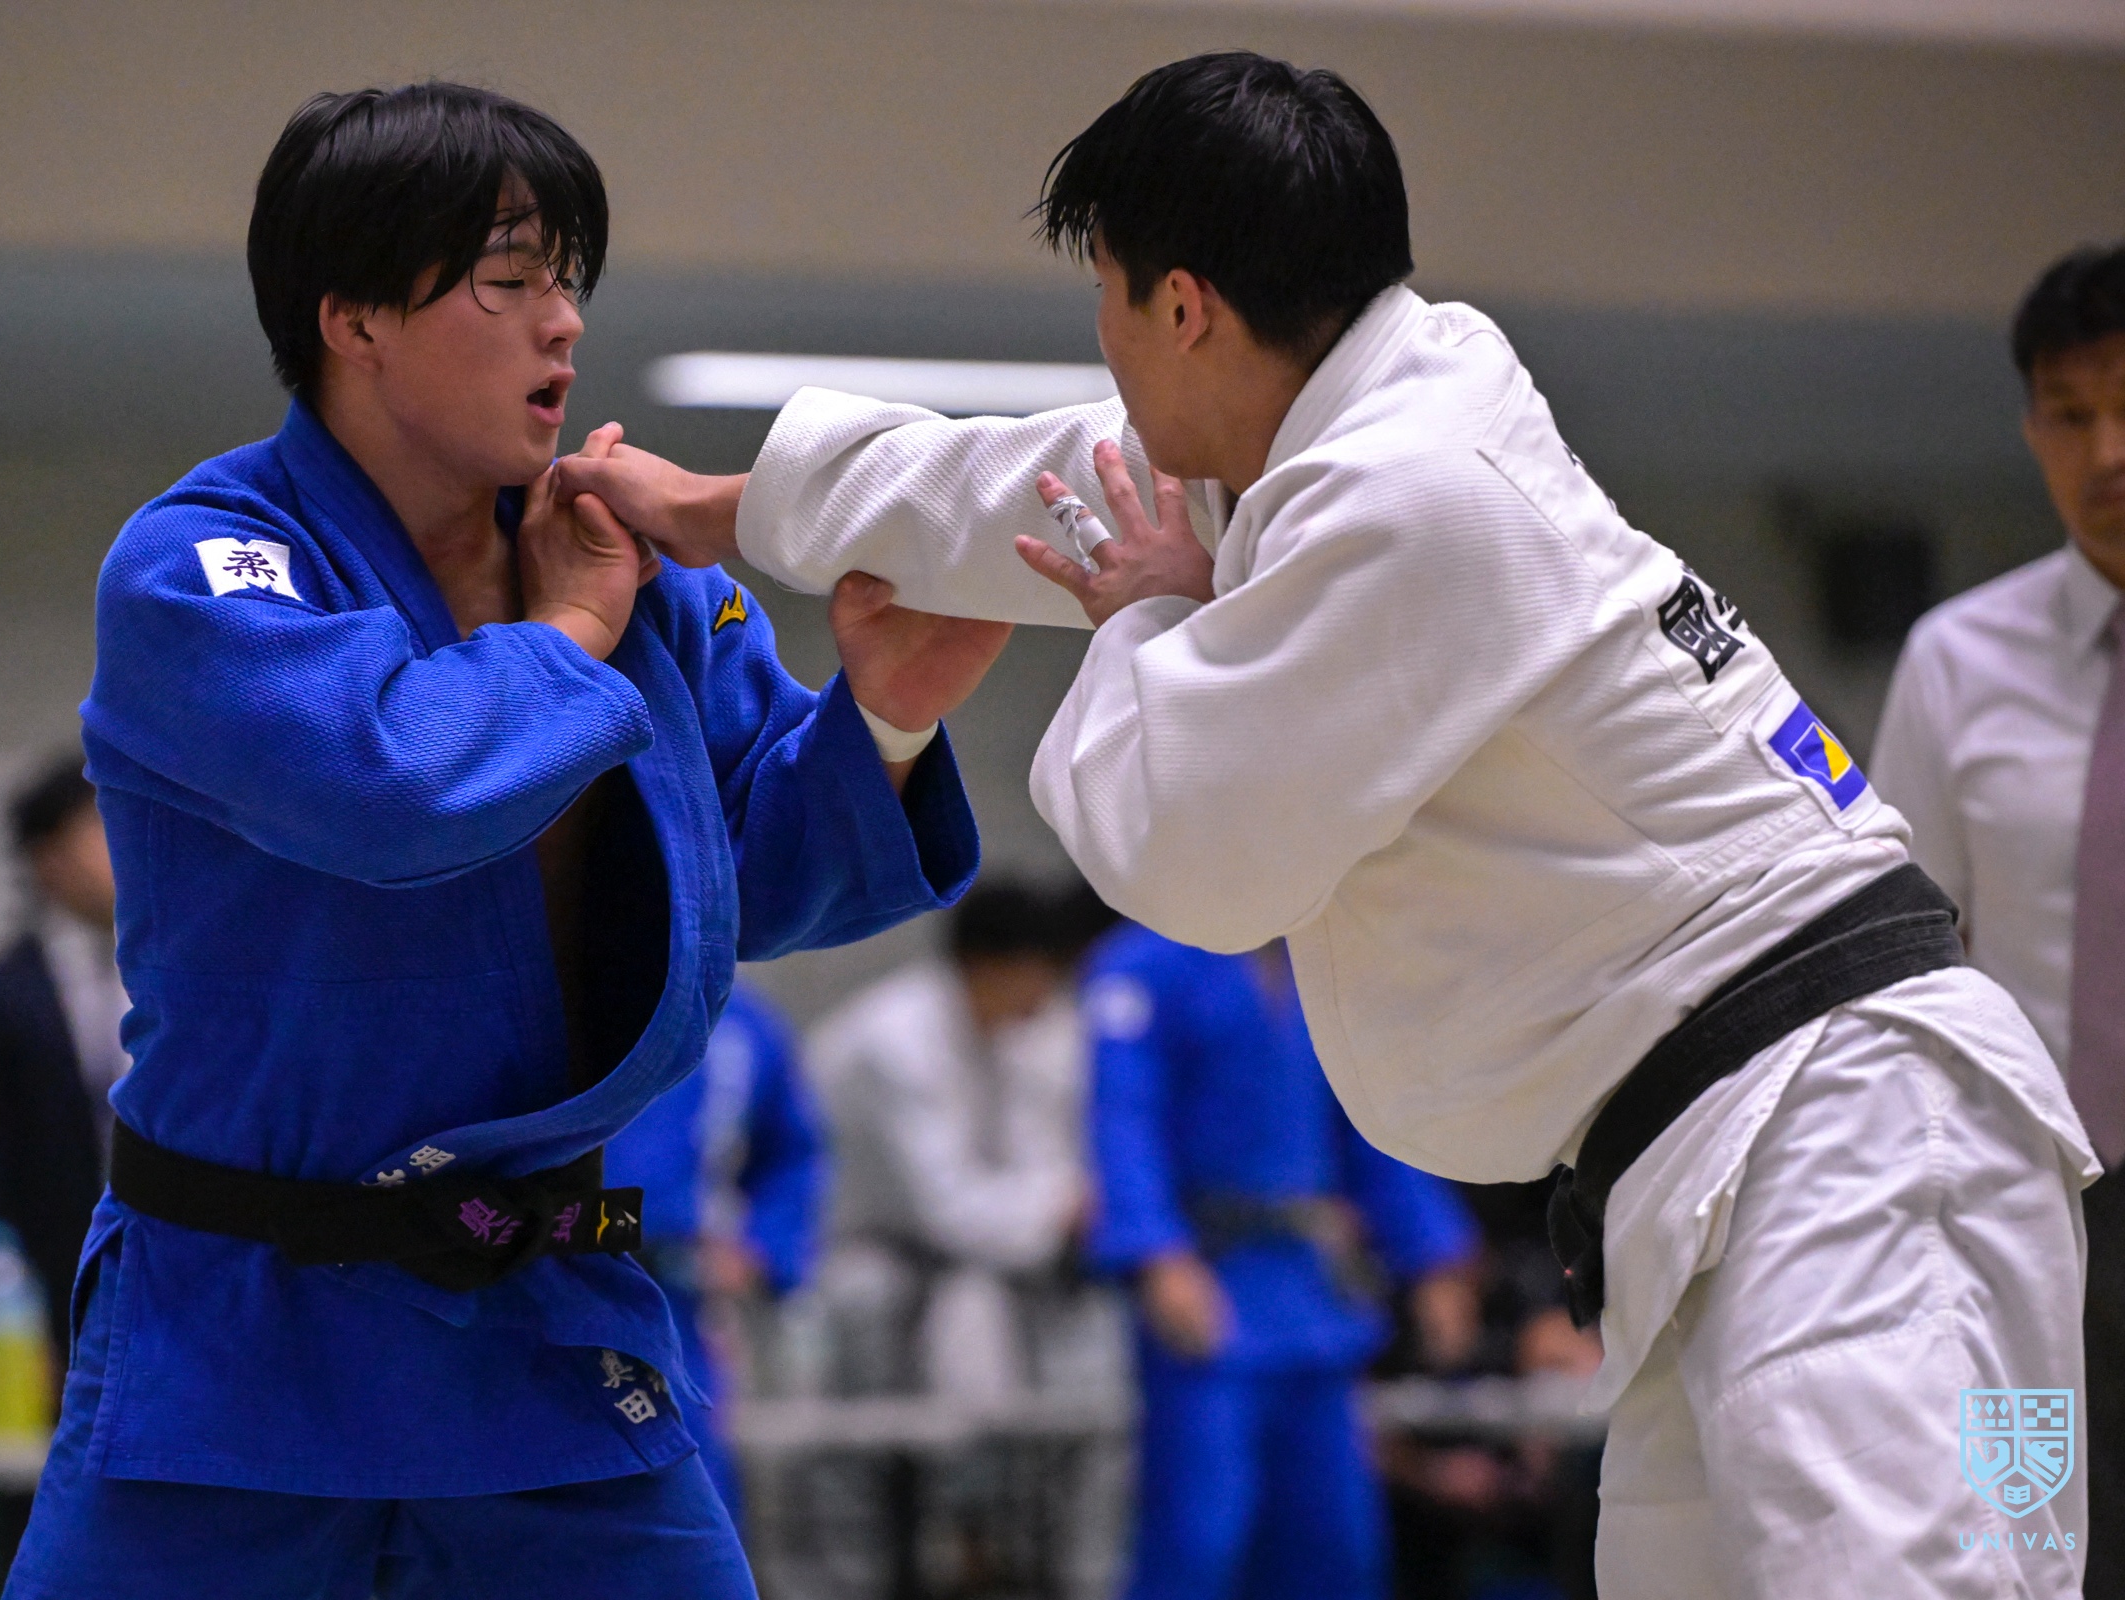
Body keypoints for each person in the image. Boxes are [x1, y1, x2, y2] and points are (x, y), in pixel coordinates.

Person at [557, 51, 2096, 1597]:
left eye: (1104, 296)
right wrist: (723, 509)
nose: (1103, 345)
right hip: (1746, 1147)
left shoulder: (1417, 498)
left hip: (1861, 1139)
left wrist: (1150, 619)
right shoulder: (1354, 427)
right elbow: (1033, 489)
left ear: (1180, 306)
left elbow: (1184, 850)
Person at [1, 83, 1006, 1600]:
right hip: (240, 1335)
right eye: (510, 279)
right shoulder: (205, 564)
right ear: (354, 318)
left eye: (569, 280)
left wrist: (886, 713)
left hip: (536, 1319)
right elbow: (391, 789)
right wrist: (573, 629)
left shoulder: (643, 581)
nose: (564, 323)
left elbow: (752, 882)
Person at [1873, 242, 2125, 1599]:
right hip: (2017, 1219)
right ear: (2032, 428)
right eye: (2072, 415)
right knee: (2014, 1555)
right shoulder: (1957, 660)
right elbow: (1902, 969)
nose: (2108, 452)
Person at [1081, 925, 1478, 1600]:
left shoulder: (1322, 962)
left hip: (1311, 1295)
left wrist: (1432, 1257)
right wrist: (1157, 1254)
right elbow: (1123, 1119)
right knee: (1198, 1539)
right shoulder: (1140, 967)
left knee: (1335, 1544)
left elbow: (1370, 1124)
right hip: (1208, 1285)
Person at [807, 882, 1094, 1401]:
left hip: (934, 1252)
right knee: (931, 1305)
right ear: (989, 967)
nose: (1048, 994)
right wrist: (1065, 1204)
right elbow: (951, 1212)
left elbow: (1031, 1160)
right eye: (1041, 975)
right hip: (837, 1252)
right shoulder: (895, 1044)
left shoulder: (1009, 1033)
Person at [0, 754, 127, 1362]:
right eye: (102, 829)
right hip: (51, 1293)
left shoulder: (179, 985)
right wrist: (1, 1306)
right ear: (49, 858)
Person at [605, 984, 825, 1523]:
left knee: (688, 1487)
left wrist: (763, 1249)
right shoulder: (553, 992)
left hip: (675, 1297)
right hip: (531, 1277)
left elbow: (791, 1155)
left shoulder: (742, 1025)